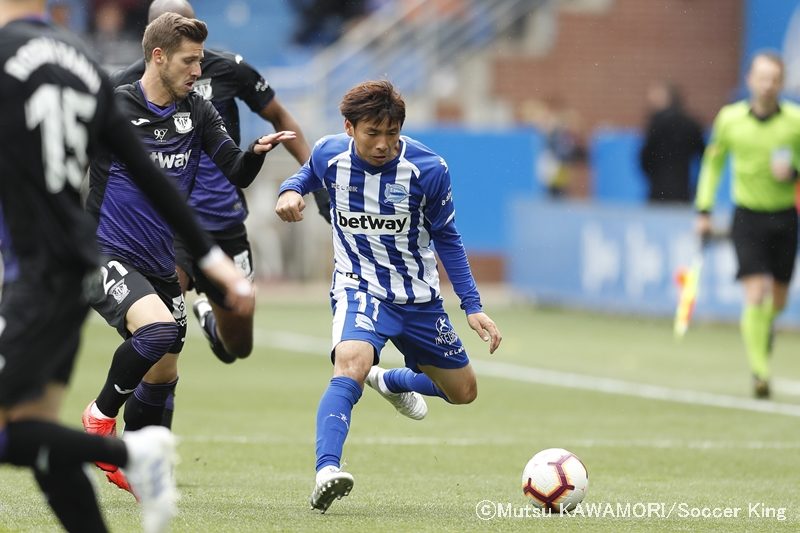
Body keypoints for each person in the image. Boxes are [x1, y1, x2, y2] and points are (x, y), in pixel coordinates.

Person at [0, 1, 253, 532]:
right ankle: (133, 453)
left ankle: (134, 453)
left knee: (19, 432)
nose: (196, 69)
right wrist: (213, 260)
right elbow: (145, 171)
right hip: (73, 267)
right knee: (36, 434)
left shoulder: (10, 56)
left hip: (36, 271)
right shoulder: (82, 64)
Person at [82, 11, 293, 495]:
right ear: (158, 57)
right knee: (156, 331)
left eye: (200, 61)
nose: (199, 72)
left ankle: (137, 464)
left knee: (163, 372)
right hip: (104, 251)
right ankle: (97, 420)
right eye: (190, 61)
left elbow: (235, 171)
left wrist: (258, 152)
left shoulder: (196, 111)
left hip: (160, 257)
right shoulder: (113, 108)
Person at [275, 80, 502, 513]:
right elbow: (305, 173)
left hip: (418, 298)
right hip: (359, 287)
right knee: (351, 361)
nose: (383, 144)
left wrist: (472, 307)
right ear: (349, 127)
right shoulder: (329, 153)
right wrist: (289, 191)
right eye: (372, 133)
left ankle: (389, 379)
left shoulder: (428, 169)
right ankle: (327, 470)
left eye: (392, 134)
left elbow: (447, 238)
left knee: (463, 392)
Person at [112, 0, 329, 368]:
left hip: (225, 221)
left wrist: (316, 182)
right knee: (161, 334)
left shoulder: (228, 69)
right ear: (153, 43)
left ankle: (211, 322)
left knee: (238, 346)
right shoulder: (126, 89)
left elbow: (278, 116)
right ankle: (144, 414)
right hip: (171, 227)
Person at [695, 52, 800, 399]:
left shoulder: (795, 122)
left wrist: (794, 174)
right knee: (755, 293)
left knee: (780, 301)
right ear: (749, 80)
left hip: (785, 217)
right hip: (748, 217)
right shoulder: (730, 119)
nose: (767, 84)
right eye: (762, 77)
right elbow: (713, 164)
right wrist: (704, 209)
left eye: (774, 78)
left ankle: (766, 327)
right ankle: (760, 372)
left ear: (781, 83)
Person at [640, 81, 706, 203]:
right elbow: (703, 156)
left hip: (658, 189)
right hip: (682, 189)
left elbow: (645, 157)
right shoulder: (691, 124)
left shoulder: (656, 123)